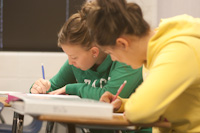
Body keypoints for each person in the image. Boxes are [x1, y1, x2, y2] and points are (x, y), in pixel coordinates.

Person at [83, 0, 200, 132]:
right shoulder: (153, 54)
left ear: (123, 44)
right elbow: (162, 104)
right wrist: (123, 104)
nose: (113, 59)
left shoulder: (177, 51)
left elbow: (140, 110)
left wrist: (134, 108)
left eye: (111, 53)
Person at [30, 12, 144, 133]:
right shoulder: (77, 64)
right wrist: (37, 88)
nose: (70, 62)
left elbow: (109, 97)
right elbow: (53, 89)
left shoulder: (125, 58)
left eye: (74, 57)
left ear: (94, 52)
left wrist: (74, 88)